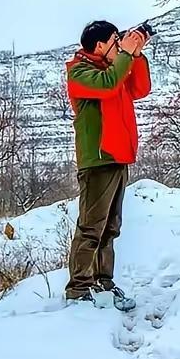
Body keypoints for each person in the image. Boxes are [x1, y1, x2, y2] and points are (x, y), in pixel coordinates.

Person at [64, 20, 152, 309]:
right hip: (98, 159)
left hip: (118, 156)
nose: (120, 44)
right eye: (116, 40)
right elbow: (108, 85)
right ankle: (78, 288)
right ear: (99, 45)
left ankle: (103, 281)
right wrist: (126, 55)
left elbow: (139, 88)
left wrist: (135, 54)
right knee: (91, 226)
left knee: (110, 227)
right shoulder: (80, 72)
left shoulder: (113, 68)